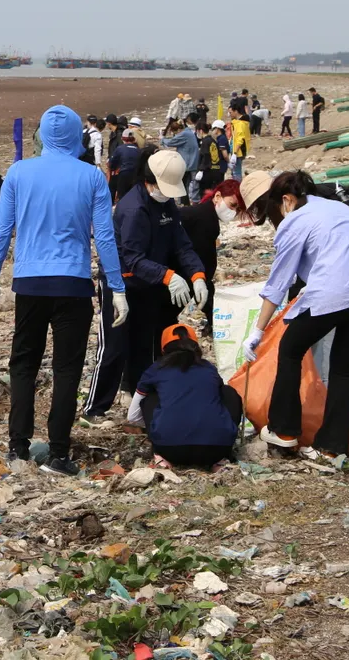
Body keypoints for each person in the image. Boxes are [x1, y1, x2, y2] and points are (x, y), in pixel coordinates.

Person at [0, 105, 128, 476]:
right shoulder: (92, 176)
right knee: (67, 368)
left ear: (43, 135)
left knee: (23, 364)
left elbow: (3, 231)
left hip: (30, 283)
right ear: (76, 135)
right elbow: (105, 237)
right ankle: (60, 453)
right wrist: (117, 286)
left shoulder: (18, 172)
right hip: (74, 284)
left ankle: (18, 448)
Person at [241, 171, 349, 461]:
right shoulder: (337, 206)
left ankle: (284, 431)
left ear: (287, 199)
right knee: (343, 369)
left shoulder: (295, 220)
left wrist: (257, 332)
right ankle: (331, 450)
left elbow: (278, 284)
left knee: (290, 349)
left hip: (336, 293)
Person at [83, 148, 207, 424]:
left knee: (144, 346)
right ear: (149, 180)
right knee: (114, 347)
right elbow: (132, 258)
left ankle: (139, 407)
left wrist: (197, 275)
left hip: (150, 284)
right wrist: (169, 276)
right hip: (121, 285)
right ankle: (95, 408)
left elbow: (181, 243)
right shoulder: (134, 208)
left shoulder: (166, 204)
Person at [127, 324, 242, 470]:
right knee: (227, 392)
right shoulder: (208, 368)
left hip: (169, 449)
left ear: (163, 348)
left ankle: (160, 458)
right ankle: (220, 461)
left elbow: (133, 416)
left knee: (150, 397)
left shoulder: (156, 369)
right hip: (216, 449)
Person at [180, 180, 247, 336]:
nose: (233, 212)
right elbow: (205, 255)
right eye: (232, 205)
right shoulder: (206, 218)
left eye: (237, 209)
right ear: (217, 196)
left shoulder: (204, 213)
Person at [163, 112, 201, 202]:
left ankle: (185, 202)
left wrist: (162, 138)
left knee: (183, 184)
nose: (176, 135)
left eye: (175, 132)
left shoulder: (184, 134)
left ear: (178, 130)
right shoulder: (188, 131)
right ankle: (190, 201)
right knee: (192, 184)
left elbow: (170, 143)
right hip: (193, 162)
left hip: (188, 164)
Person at [109, 128, 141, 201]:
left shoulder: (120, 148)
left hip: (124, 174)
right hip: (136, 175)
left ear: (122, 139)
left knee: (121, 194)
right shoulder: (138, 150)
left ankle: (112, 202)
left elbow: (112, 164)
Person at [229, 109, 251, 181]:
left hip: (238, 151)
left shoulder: (240, 124)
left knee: (236, 172)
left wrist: (235, 153)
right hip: (239, 151)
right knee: (235, 172)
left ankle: (237, 188)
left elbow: (239, 139)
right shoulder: (243, 123)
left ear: (236, 111)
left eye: (230, 112)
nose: (229, 114)